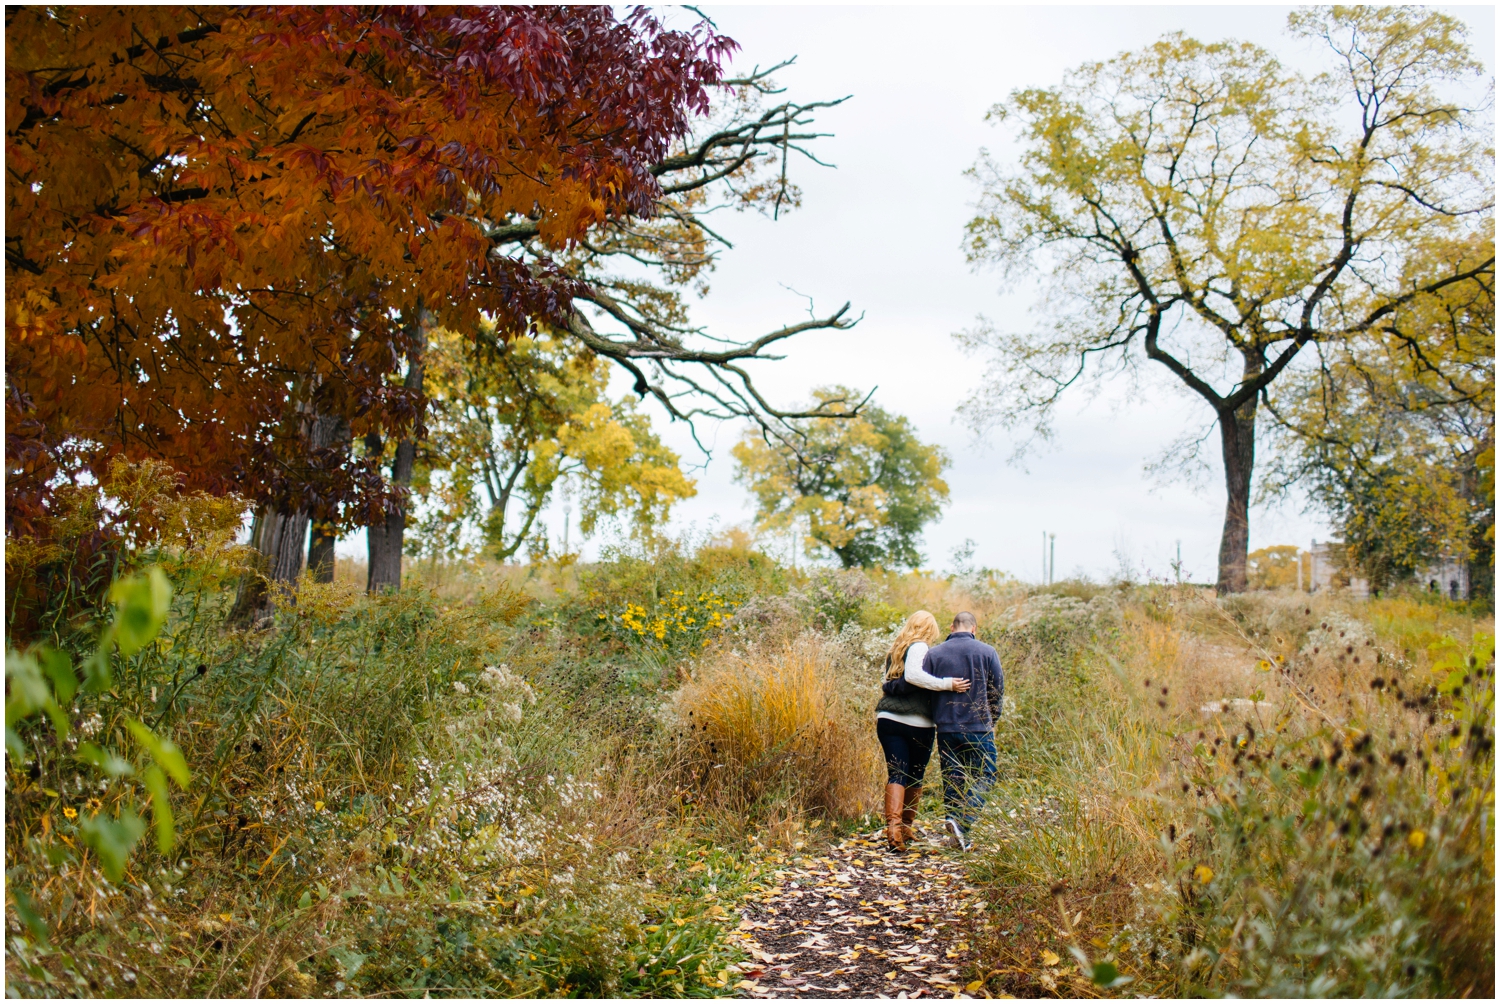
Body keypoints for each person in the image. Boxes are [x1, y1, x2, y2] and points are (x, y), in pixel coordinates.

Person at [874, 610, 970, 851]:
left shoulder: (895, 649)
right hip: (916, 723)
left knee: (898, 773)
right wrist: (947, 684)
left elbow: (888, 683)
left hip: (888, 720)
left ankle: (900, 830)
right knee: (914, 774)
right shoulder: (919, 646)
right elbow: (914, 676)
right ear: (930, 628)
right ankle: (899, 829)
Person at [924, 611, 1003, 852]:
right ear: (974, 628)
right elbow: (996, 690)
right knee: (986, 774)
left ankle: (955, 826)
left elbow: (925, 691)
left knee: (953, 777)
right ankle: (964, 822)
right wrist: (992, 718)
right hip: (979, 726)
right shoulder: (987, 652)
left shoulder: (934, 653)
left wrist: (936, 716)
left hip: (946, 727)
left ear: (951, 627)